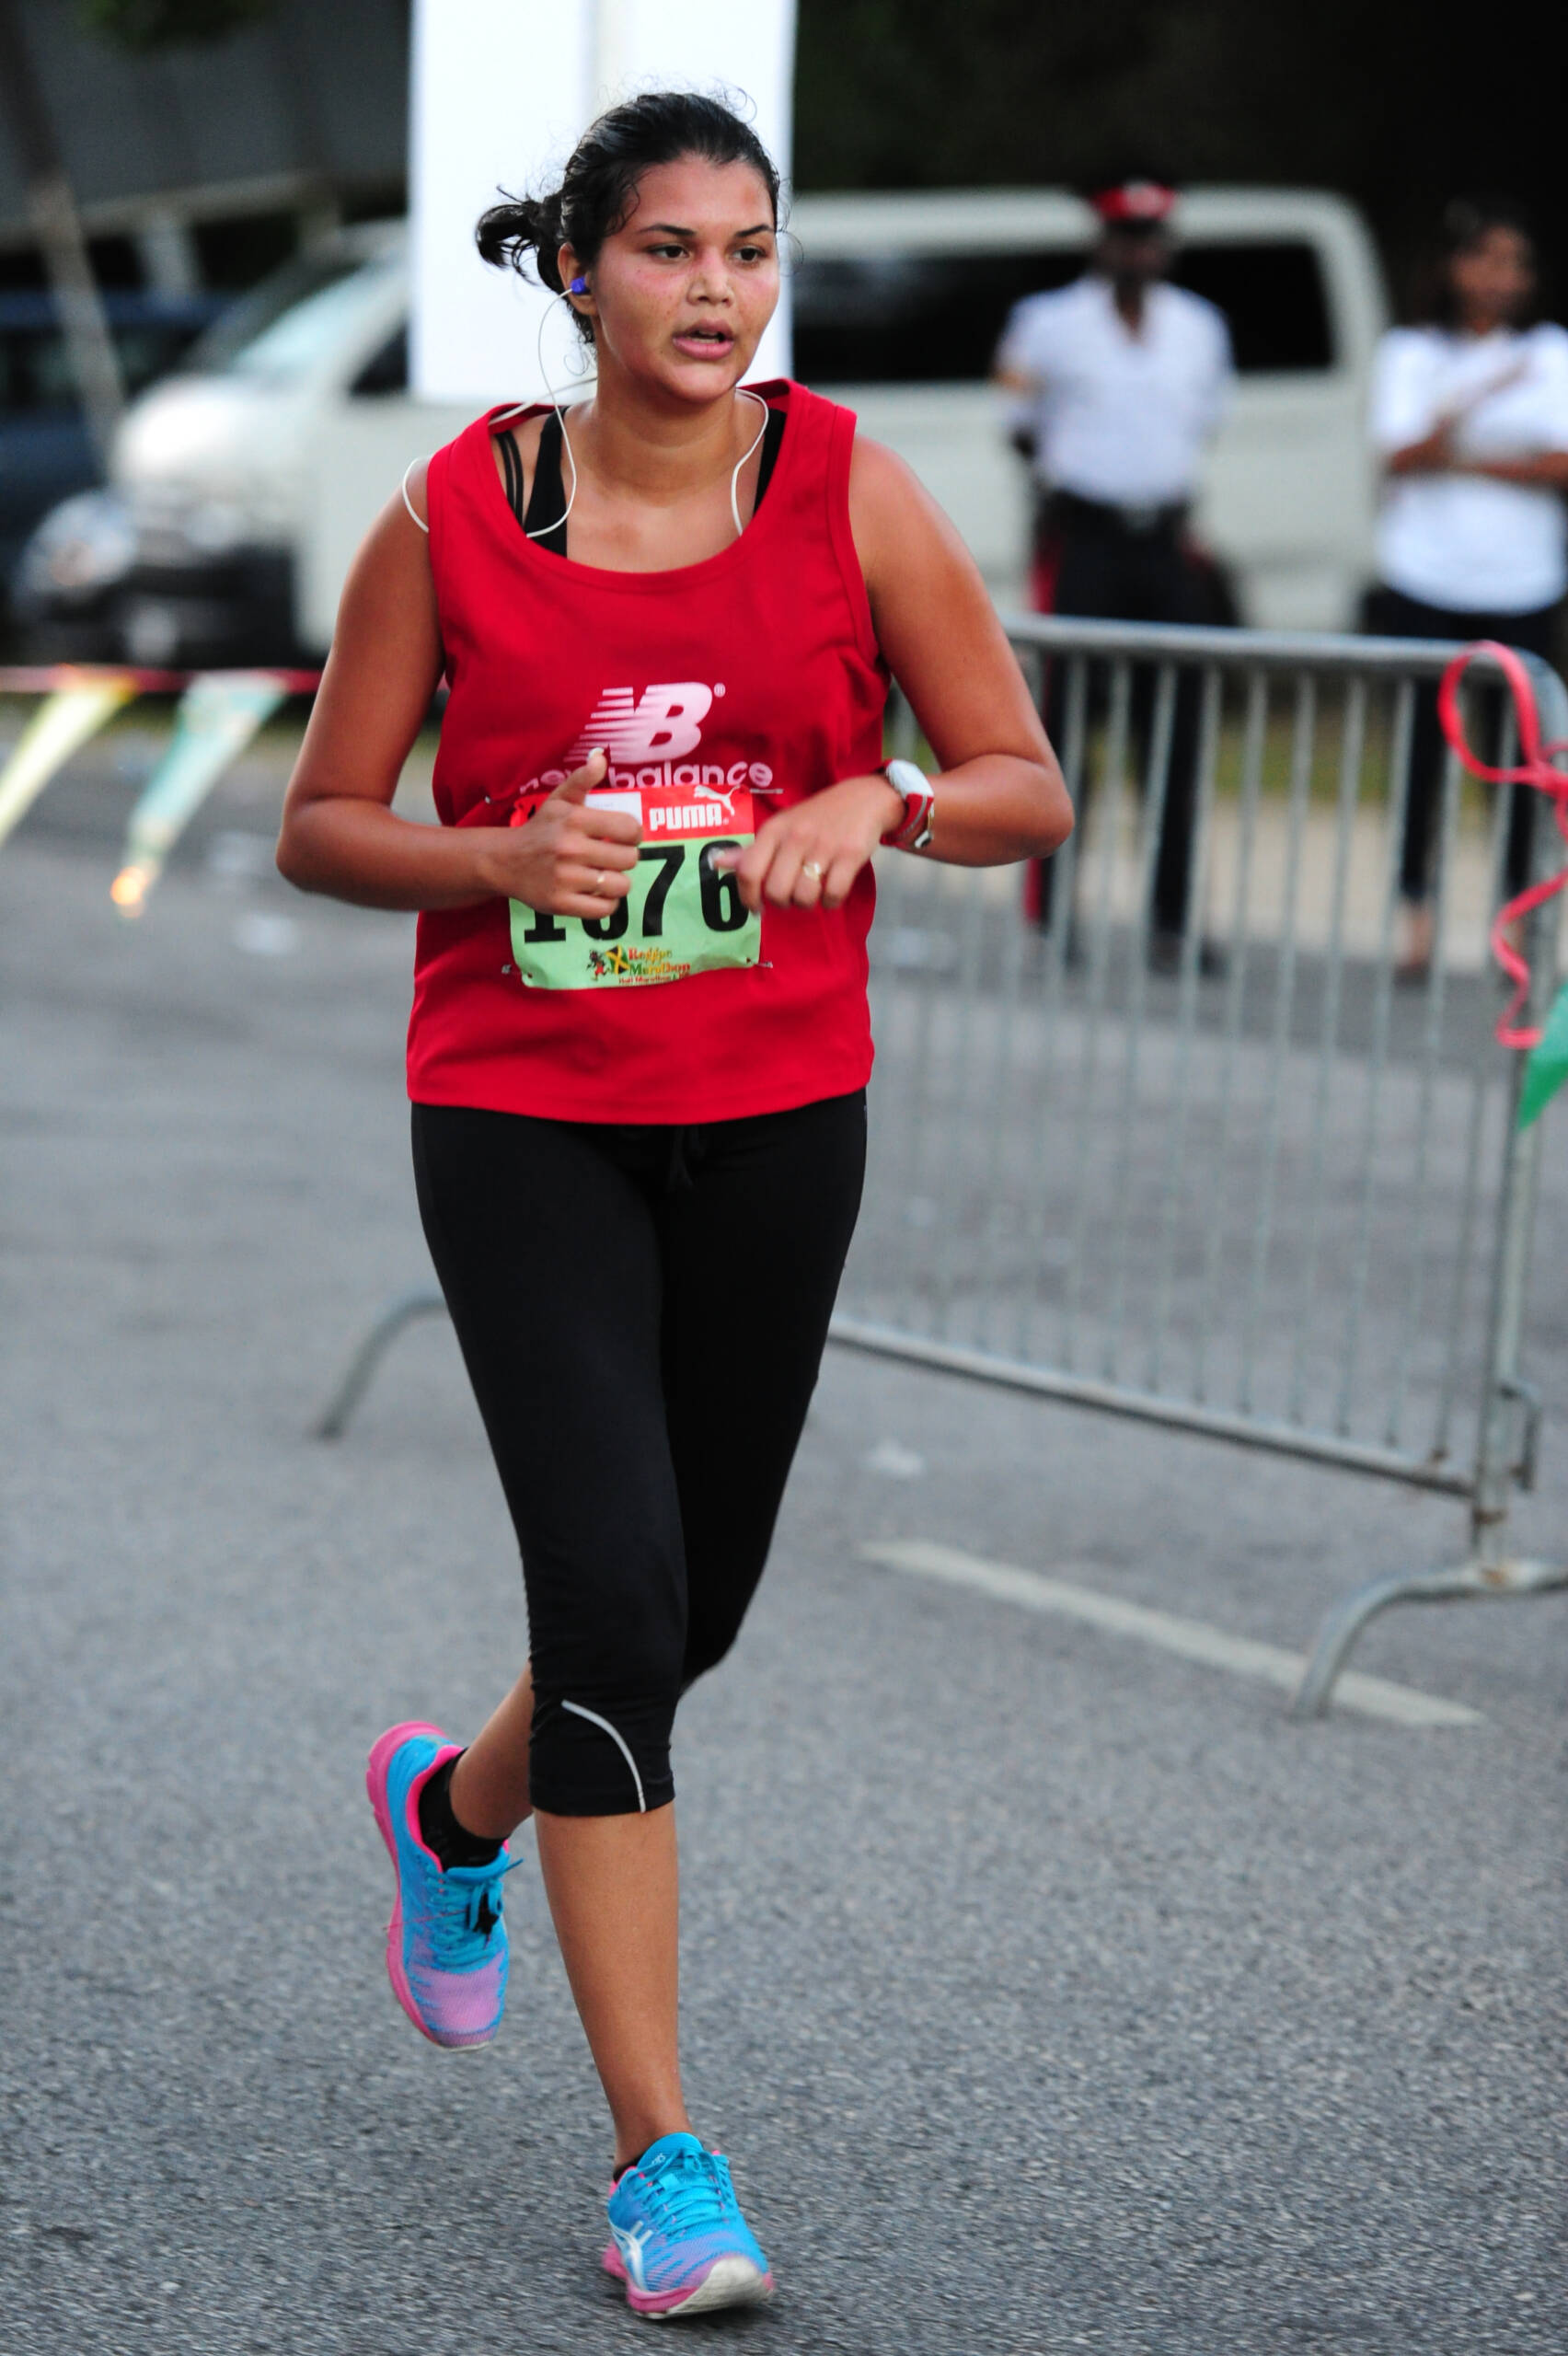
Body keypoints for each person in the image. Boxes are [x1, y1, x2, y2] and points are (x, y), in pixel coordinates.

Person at [274, 92, 1070, 2324]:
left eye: (747, 249)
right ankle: (663, 2161)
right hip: (522, 1110)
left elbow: (1022, 781)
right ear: (579, 271)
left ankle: (450, 1813)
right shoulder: (452, 513)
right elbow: (323, 821)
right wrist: (494, 853)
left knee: (686, 1610)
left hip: (781, 1109)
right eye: (667, 249)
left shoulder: (847, 487)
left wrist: (882, 802)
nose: (716, 289)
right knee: (618, 1609)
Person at [994, 175, 1233, 967]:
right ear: (1103, 242)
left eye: (1150, 237)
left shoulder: (1199, 326)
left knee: (1174, 732)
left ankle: (1171, 920)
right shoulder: (1049, 323)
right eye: (1126, 236)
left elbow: (1204, 423)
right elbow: (1019, 424)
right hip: (1086, 537)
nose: (1139, 252)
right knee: (1063, 730)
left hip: (1164, 537)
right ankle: (1052, 917)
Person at [1366, 197, 1568, 981]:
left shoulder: (1550, 353)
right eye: (1485, 259)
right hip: (1424, 574)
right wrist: (1478, 401)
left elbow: (1560, 464)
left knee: (1520, 758)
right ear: (1452, 266)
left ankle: (1514, 922)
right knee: (1423, 755)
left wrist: (1465, 461)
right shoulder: (1411, 353)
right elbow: (1399, 453)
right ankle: (1415, 912)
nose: (1500, 278)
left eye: (1515, 263)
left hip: (1522, 580)